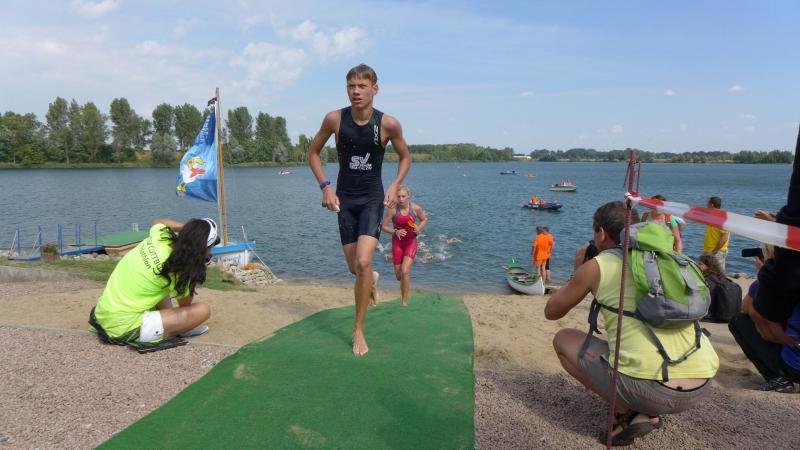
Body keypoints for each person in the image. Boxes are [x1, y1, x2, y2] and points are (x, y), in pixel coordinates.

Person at [545, 201, 718, 446]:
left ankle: (629, 411)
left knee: (563, 339)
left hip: (654, 391)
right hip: (702, 382)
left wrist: (578, 271)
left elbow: (552, 311)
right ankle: (642, 406)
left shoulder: (598, 266)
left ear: (601, 233)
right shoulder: (669, 257)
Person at [307, 63, 412, 356]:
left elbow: (406, 157)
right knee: (355, 268)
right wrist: (325, 186)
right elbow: (312, 153)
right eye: (351, 86)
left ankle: (358, 329)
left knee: (363, 263)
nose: (356, 91)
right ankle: (371, 281)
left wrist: (395, 185)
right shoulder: (335, 119)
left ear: (374, 89)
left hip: (372, 200)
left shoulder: (388, 124)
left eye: (362, 86)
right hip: (345, 201)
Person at [88, 218, 216, 350]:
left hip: (103, 315)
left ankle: (170, 325)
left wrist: (188, 231)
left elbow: (158, 222)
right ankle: (174, 330)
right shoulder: (178, 269)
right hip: (124, 328)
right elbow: (185, 305)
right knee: (203, 310)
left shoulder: (160, 238)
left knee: (161, 283)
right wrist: (194, 270)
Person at [729, 242, 800, 392]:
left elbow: (746, 310)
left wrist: (764, 274)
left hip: (794, 366)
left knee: (738, 322)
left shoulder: (768, 284)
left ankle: (777, 378)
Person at [381, 185, 427, 306]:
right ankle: (403, 286)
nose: (401, 199)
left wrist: (419, 228)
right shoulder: (392, 210)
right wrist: (395, 231)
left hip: (411, 242)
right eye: (399, 196)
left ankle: (404, 302)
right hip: (397, 243)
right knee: (398, 275)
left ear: (408, 196)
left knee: (405, 271)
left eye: (403, 196)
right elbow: (383, 226)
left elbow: (424, 220)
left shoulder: (416, 208)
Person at [702, 196, 730, 273]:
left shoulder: (721, 218)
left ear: (712, 205)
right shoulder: (712, 217)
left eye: (707, 204)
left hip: (717, 252)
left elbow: (724, 238)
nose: (706, 206)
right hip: (708, 251)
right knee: (706, 273)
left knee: (718, 274)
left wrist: (714, 251)